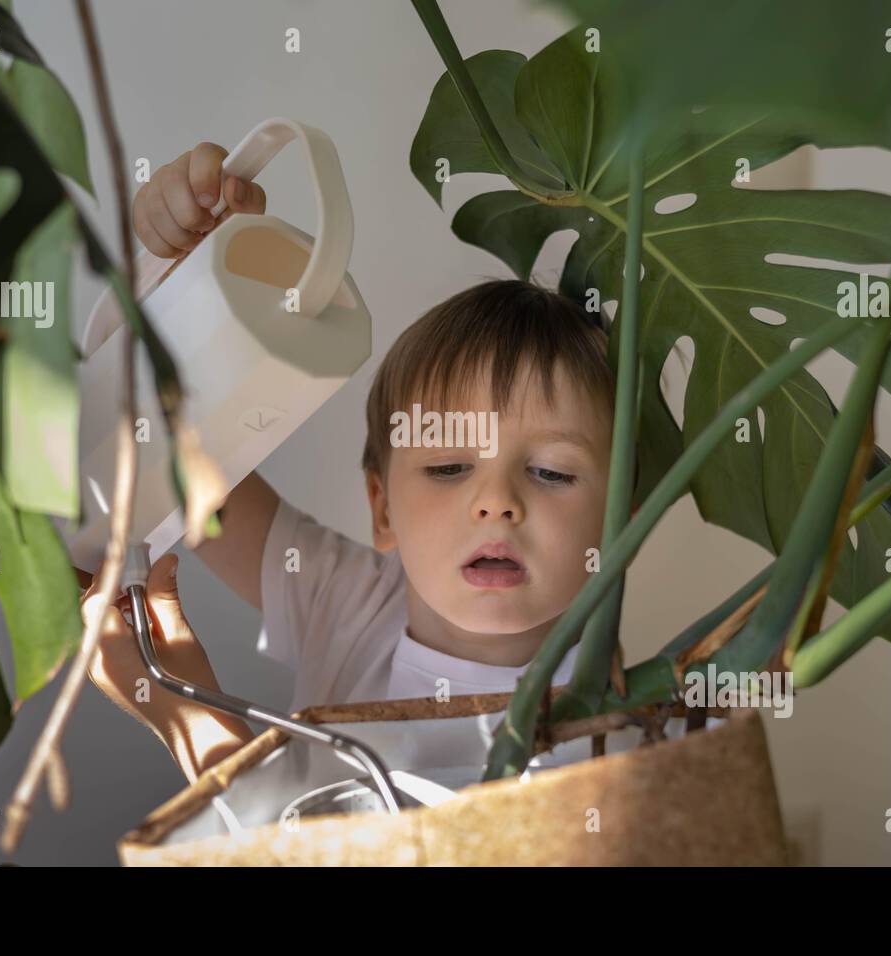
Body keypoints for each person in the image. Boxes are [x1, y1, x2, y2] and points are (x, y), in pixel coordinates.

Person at [84, 141, 623, 782]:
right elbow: (179, 453)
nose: (496, 501)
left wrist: (184, 710)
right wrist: (192, 282)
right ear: (382, 508)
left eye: (552, 472)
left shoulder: (605, 737)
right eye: (449, 467)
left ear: (624, 520)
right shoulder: (348, 602)